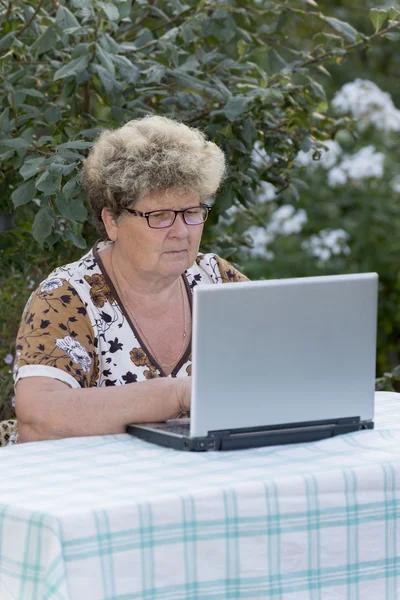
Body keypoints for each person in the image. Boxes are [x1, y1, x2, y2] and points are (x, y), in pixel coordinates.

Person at [14, 115, 248, 442]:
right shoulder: (67, 297)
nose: (181, 232)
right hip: (101, 487)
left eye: (192, 213)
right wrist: (177, 395)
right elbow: (38, 418)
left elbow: (279, 366)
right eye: (160, 216)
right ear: (112, 222)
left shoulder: (217, 279)